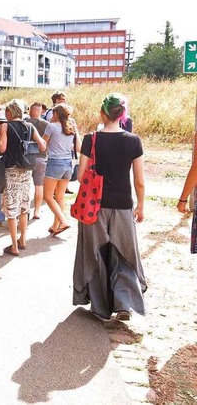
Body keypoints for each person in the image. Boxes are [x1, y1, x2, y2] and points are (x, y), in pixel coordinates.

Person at [73, 92, 146, 322]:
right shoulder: (133, 141)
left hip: (94, 206)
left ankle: (100, 308)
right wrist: (140, 206)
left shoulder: (90, 138)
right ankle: (125, 303)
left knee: (96, 253)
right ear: (123, 115)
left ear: (102, 113)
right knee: (123, 253)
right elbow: (140, 180)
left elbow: (80, 176)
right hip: (123, 204)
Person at [0, 100, 46, 256]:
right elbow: (43, 145)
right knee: (24, 207)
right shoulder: (29, 126)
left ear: (10, 112)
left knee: (12, 209)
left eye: (6, 113)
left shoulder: (5, 126)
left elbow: (2, 148)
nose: (5, 115)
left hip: (11, 170)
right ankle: (23, 239)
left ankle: (14, 246)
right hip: (26, 170)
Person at [42, 104, 80, 235]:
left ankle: (63, 221)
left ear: (56, 114)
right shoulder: (70, 128)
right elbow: (77, 146)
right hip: (68, 164)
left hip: (55, 162)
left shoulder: (51, 127)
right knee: (60, 196)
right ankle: (55, 226)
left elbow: (43, 145)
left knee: (47, 196)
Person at [26, 102, 49, 220]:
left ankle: (23, 211)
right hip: (41, 157)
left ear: (31, 110)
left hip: (26, 158)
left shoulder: (26, 123)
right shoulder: (46, 124)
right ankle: (37, 211)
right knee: (39, 185)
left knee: (25, 185)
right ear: (41, 111)